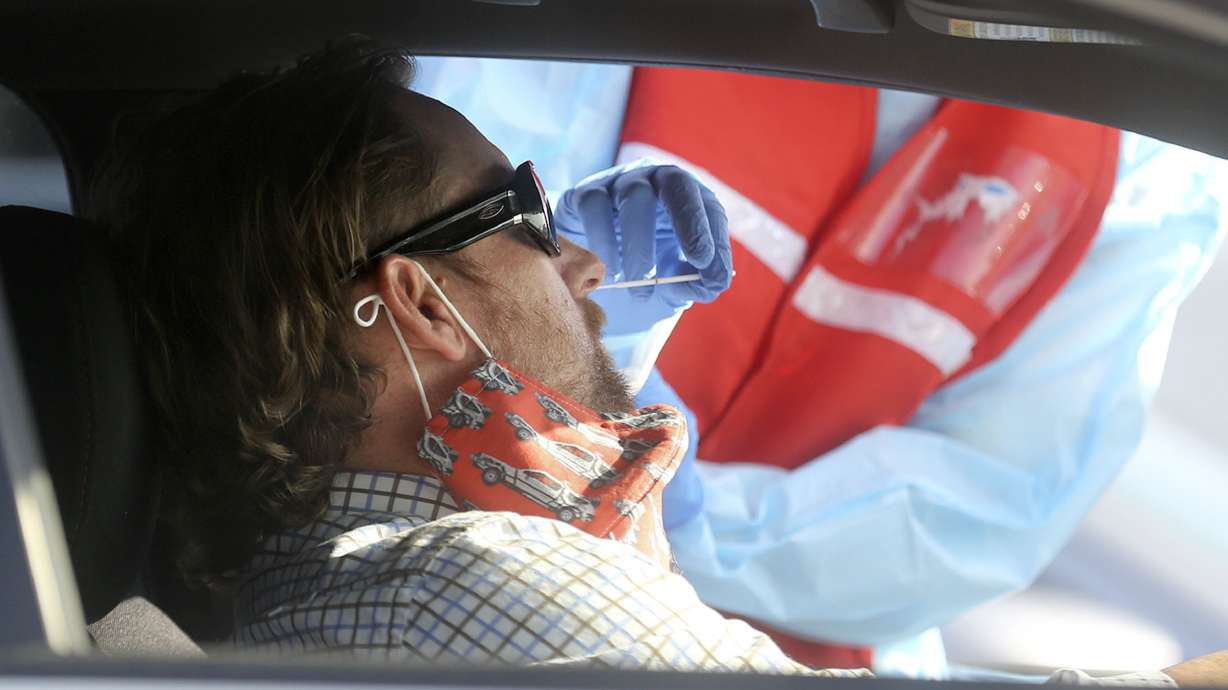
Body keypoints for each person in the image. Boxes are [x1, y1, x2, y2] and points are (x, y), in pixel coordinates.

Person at [88, 37, 1223, 683]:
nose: (585, 265)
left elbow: (990, 506)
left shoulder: (299, 594)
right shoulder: (484, 585)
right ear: (422, 305)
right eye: (524, 216)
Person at [409, 59, 1226, 676]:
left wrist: (667, 504)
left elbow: (992, 500)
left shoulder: (1141, 153)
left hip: (825, 648)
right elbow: (425, 275)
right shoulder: (580, 45)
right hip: (484, 555)